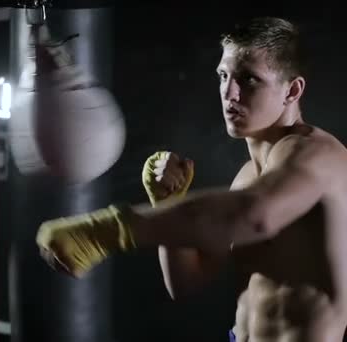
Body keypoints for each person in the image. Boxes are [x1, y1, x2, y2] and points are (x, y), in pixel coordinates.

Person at [36, 16, 347, 341]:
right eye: (223, 76)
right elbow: (186, 283)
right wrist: (169, 201)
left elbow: (255, 216)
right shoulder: (247, 177)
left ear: (292, 90)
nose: (230, 93)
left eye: (249, 79)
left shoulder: (316, 154)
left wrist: (110, 230)